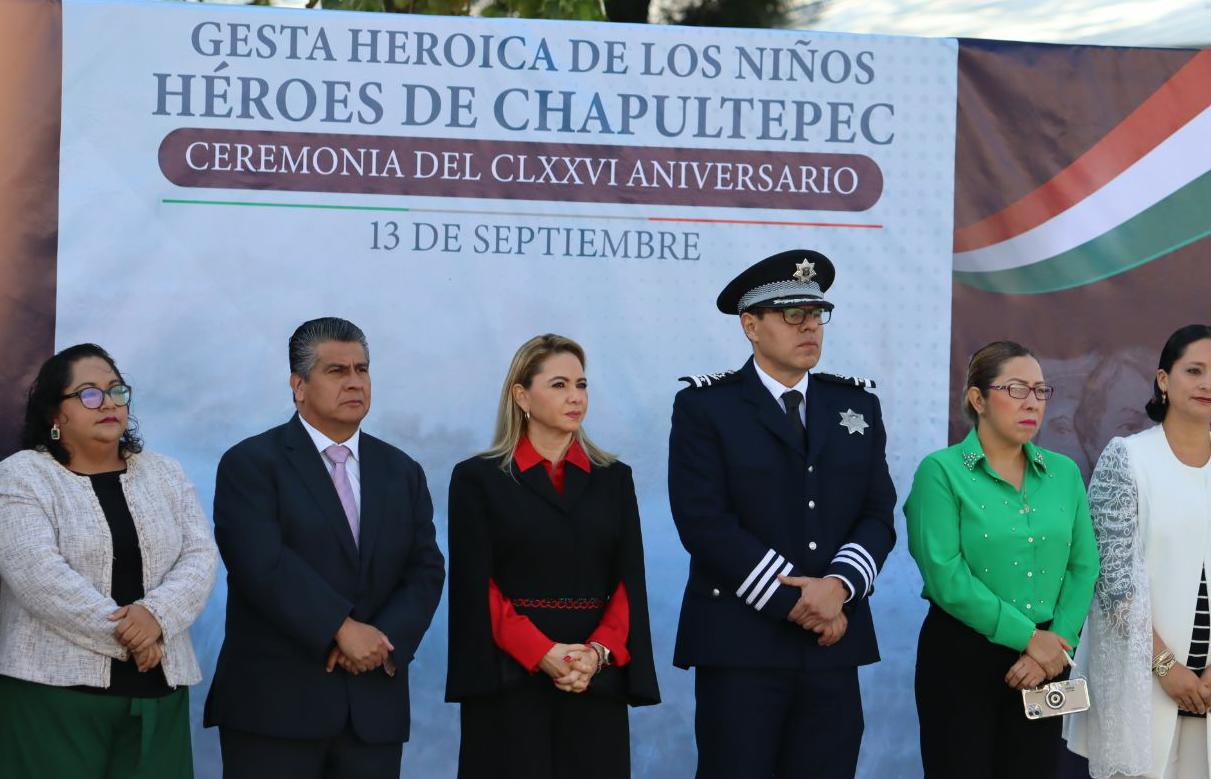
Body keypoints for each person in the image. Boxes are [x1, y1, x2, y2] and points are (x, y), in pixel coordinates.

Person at [668, 249, 897, 779]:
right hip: (741, 644)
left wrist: (837, 587)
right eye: (792, 315)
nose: (809, 327)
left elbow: (877, 512)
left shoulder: (856, 406)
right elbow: (703, 521)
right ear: (751, 324)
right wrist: (796, 601)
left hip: (833, 641)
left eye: (816, 315)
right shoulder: (707, 407)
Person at [204, 317, 445, 779]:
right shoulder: (251, 463)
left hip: (373, 710)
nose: (355, 382)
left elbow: (425, 569)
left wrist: (381, 643)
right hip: (275, 710)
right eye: (337, 371)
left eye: (362, 369)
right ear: (298, 386)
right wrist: (339, 628)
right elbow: (261, 565)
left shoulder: (402, 471)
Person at [445, 333, 659, 779]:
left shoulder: (614, 479)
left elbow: (628, 581)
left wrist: (596, 654)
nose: (575, 397)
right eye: (559, 385)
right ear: (521, 395)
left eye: (582, 385)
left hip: (592, 679)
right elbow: (474, 585)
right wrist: (540, 651)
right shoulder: (477, 479)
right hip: (509, 679)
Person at [0, 343, 217, 778]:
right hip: (55, 698)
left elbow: (200, 556)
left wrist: (156, 617)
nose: (108, 403)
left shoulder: (164, 473)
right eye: (88, 393)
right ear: (55, 415)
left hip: (159, 692)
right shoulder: (22, 475)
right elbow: (37, 574)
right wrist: (135, 637)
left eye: (116, 391)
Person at [905, 339, 1099, 778]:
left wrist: (1056, 642)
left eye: (1040, 390)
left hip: (1047, 660)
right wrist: (1028, 637)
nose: (1032, 402)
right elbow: (944, 574)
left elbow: (1084, 566)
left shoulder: (1064, 472)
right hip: (963, 654)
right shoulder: (942, 471)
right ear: (978, 398)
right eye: (1016, 389)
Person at [1065, 324, 1211, 779]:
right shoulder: (1127, 457)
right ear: (1164, 380)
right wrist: (1167, 667)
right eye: (1194, 370)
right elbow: (1111, 581)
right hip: (1144, 679)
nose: (1207, 383)